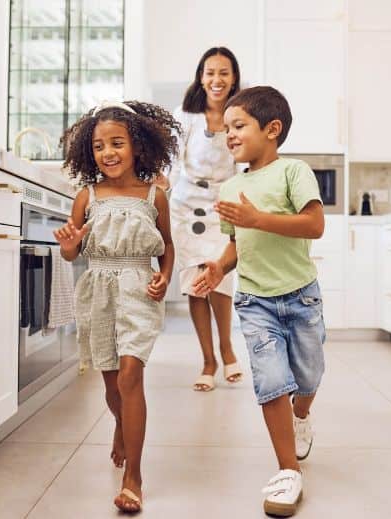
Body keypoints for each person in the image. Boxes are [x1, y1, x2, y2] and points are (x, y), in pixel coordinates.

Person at [191, 86, 326, 517]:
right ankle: (288, 471)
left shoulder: (294, 172)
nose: (229, 135)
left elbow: (313, 225)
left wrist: (258, 219)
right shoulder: (231, 186)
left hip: (301, 296)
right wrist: (218, 267)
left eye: (238, 126)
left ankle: (301, 412)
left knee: (308, 375)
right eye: (226, 128)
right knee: (270, 380)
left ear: (272, 129)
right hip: (254, 300)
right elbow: (237, 245)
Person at [54, 100, 180, 513]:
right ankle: (121, 427)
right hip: (98, 289)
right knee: (111, 386)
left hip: (139, 286)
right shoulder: (85, 197)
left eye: (117, 143)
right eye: (99, 146)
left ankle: (134, 477)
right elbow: (74, 254)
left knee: (130, 377)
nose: (108, 153)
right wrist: (71, 249)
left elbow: (167, 245)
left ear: (137, 145)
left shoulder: (154, 195)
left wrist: (163, 275)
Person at [164, 46, 244, 392]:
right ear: (201, 77)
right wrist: (159, 185)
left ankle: (227, 349)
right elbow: (171, 161)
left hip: (222, 207)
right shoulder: (185, 115)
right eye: (210, 73)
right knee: (195, 285)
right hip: (186, 207)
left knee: (220, 279)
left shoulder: (241, 114)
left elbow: (245, 159)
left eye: (223, 73)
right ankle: (209, 360)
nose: (216, 80)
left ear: (234, 78)